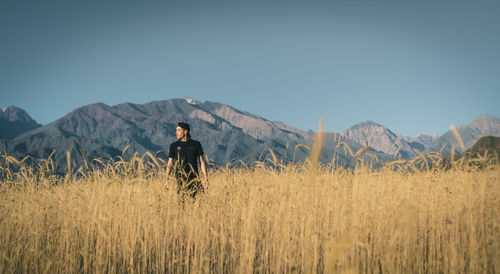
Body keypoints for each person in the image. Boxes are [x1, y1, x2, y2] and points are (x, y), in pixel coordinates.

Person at [164, 122, 208, 198]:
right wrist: (166, 180)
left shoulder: (196, 144)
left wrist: (205, 178)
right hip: (181, 180)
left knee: (200, 203)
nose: (176, 132)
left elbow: (202, 161)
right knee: (182, 205)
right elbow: (170, 163)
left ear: (185, 131)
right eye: (176, 130)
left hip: (194, 179)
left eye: (178, 130)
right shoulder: (174, 145)